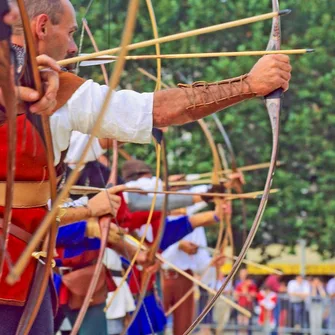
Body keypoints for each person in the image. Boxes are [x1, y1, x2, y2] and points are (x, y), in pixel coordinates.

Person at [0, 1, 291, 333]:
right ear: (40, 27)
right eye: (69, 33)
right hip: (15, 281)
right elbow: (159, 111)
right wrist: (249, 84)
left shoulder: (52, 88)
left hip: (24, 277)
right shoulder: (53, 90)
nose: (71, 47)